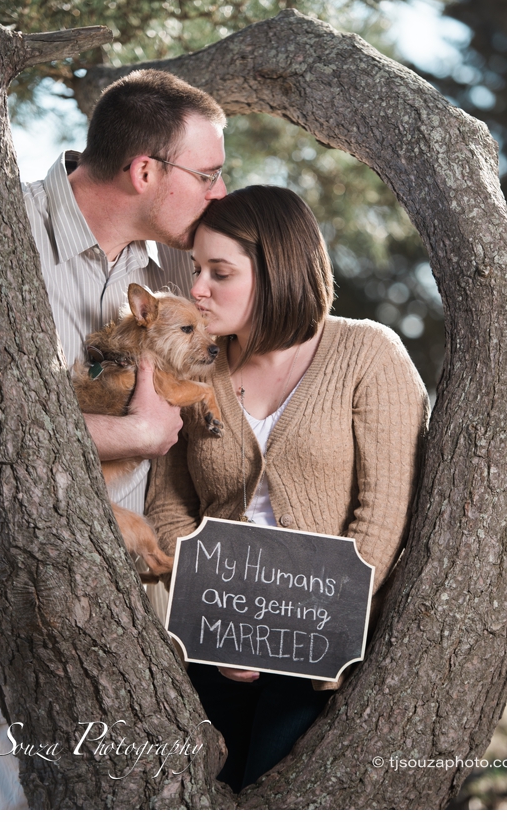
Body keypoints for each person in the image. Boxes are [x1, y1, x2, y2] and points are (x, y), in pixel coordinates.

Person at [0, 69, 227, 809]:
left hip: (130, 576)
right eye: (207, 174)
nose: (217, 193)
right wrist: (130, 430)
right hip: (13, 567)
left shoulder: (174, 263)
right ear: (145, 170)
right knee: (28, 777)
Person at [145, 185, 430, 792]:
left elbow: (382, 517)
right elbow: (169, 507)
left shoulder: (368, 354)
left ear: (277, 272)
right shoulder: (191, 364)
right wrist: (223, 618)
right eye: (197, 268)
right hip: (212, 643)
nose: (197, 287)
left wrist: (285, 631)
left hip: (327, 656)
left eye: (220, 272)